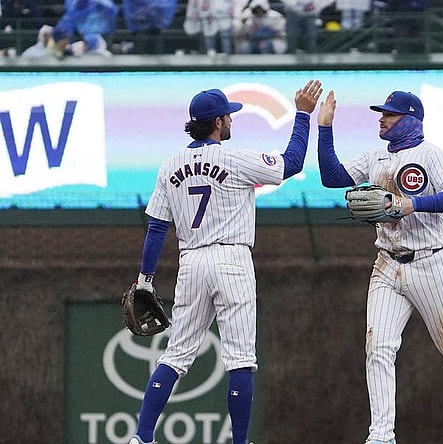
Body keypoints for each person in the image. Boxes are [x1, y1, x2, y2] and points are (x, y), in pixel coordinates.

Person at [126, 80, 324, 444]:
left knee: (176, 355)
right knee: (240, 357)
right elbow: (292, 164)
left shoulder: (170, 165)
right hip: (232, 258)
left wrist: (145, 279)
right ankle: (239, 441)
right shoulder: (235, 158)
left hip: (191, 261)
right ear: (217, 122)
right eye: (228, 117)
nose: (231, 121)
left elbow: (156, 228)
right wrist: (302, 114)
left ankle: (141, 437)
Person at [316, 90, 443, 444]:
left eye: (389, 114)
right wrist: (324, 127)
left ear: (410, 119)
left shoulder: (431, 155)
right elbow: (331, 177)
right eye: (381, 113)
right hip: (387, 264)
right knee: (378, 347)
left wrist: (412, 204)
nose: (382, 118)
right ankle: (381, 434)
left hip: (432, 263)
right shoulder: (374, 156)